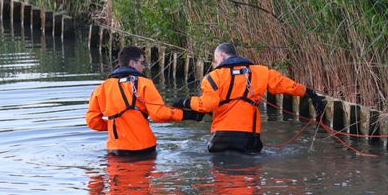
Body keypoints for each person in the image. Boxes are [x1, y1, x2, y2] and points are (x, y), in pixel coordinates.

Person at [174, 43, 326, 154]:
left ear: (221, 56)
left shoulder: (213, 77)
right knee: (250, 173)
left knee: (221, 179)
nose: (215, 64)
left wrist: (185, 102)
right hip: (249, 135)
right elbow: (286, 85)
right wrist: (310, 93)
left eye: (215, 60)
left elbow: (207, 105)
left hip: (222, 136)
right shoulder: (261, 72)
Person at [86, 45, 202, 156]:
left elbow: (92, 121)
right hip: (143, 148)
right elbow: (159, 115)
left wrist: (116, 125)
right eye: (142, 63)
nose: (143, 67)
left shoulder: (101, 89)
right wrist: (188, 114)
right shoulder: (144, 83)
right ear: (132, 63)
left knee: (118, 176)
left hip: (115, 150)